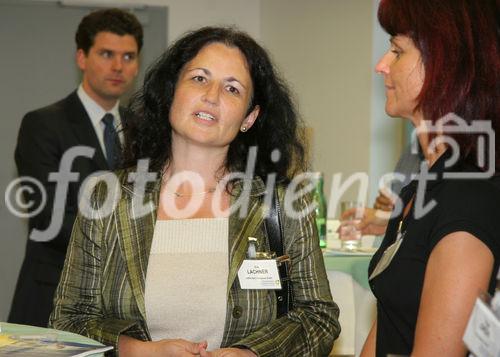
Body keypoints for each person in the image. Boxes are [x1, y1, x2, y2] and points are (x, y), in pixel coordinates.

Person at [49, 26, 340, 356]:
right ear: (172, 91)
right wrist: (140, 351)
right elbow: (68, 319)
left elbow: (318, 317)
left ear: (249, 116)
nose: (212, 96)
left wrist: (249, 353)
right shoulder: (108, 197)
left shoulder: (282, 203)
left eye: (232, 88)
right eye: (200, 79)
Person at [360, 0, 499, 356]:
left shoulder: (469, 197)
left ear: (443, 66)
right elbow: (391, 315)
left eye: (396, 51)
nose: (381, 66)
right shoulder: (424, 185)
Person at [9, 8, 143, 327]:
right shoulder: (43, 125)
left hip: (124, 305)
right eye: (106, 54)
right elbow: (49, 219)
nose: (117, 66)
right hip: (54, 294)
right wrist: (129, 243)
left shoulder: (144, 130)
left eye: (128, 56)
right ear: (81, 58)